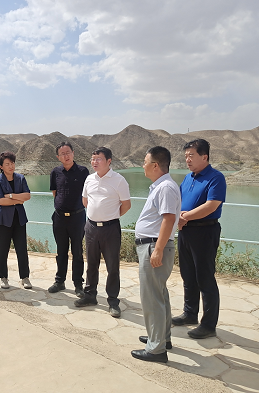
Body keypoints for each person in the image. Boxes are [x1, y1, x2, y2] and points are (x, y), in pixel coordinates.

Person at [132, 147, 181, 363]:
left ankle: (156, 349)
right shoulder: (162, 186)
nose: (142, 165)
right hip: (153, 245)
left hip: (154, 246)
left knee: (152, 298)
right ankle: (161, 337)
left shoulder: (165, 188)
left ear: (155, 165)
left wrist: (158, 250)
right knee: (159, 294)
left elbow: (168, 219)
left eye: (145, 162)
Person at [173, 139, 226, 339]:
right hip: (186, 231)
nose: (187, 159)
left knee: (205, 277)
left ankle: (209, 324)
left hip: (205, 232)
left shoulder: (216, 177)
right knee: (187, 275)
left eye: (191, 155)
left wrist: (185, 216)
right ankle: (190, 313)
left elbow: (211, 205)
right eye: (186, 156)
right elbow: (179, 200)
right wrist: (179, 216)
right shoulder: (188, 178)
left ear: (205, 156)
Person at [75, 147, 131, 318]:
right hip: (91, 227)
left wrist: (110, 217)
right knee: (91, 264)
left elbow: (126, 205)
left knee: (112, 266)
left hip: (110, 229)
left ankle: (113, 301)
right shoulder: (89, 179)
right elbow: (85, 201)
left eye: (98, 159)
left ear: (109, 161)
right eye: (93, 159)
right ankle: (90, 295)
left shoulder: (119, 180)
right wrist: (97, 216)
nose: (94, 162)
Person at [48, 141, 89, 297]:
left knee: (77, 251)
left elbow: (87, 193)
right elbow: (55, 193)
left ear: (73, 153)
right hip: (59, 217)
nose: (66, 156)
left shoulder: (83, 171)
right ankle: (60, 281)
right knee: (61, 250)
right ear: (58, 157)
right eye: (62, 154)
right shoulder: (55, 172)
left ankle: (78, 284)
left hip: (77, 217)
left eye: (68, 152)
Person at [0, 152, 32, 289]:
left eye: (12, 163)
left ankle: (25, 277)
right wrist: (18, 200)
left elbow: (27, 196)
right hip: (3, 220)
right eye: (7, 164)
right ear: (1, 166)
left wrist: (10, 196)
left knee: (22, 249)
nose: (11, 166)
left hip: (19, 219)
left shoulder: (20, 178)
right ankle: (3, 277)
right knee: (2, 250)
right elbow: (0, 201)